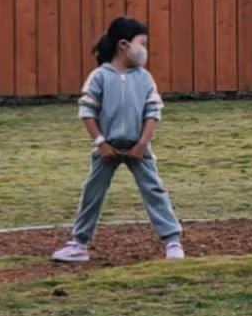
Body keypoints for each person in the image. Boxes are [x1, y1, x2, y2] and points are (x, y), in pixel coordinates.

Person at [51, 16, 185, 263]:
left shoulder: (144, 78)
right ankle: (79, 244)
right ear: (123, 45)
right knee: (93, 192)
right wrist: (101, 143)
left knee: (154, 190)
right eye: (141, 44)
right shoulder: (99, 76)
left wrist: (142, 144)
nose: (144, 50)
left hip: (138, 148)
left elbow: (153, 111)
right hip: (107, 149)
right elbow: (87, 111)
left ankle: (172, 241)